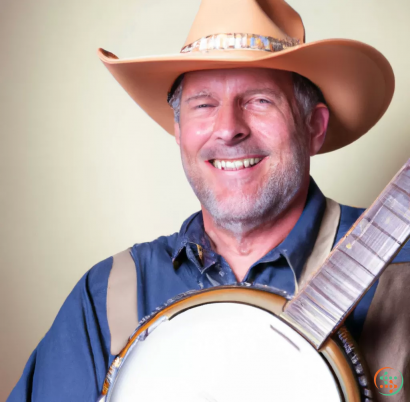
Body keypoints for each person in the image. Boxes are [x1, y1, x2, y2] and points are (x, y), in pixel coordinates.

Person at [7, 0, 410, 401]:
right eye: (204, 104)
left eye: (259, 100)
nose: (228, 129)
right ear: (179, 132)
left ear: (314, 128)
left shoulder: (401, 276)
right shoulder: (107, 296)